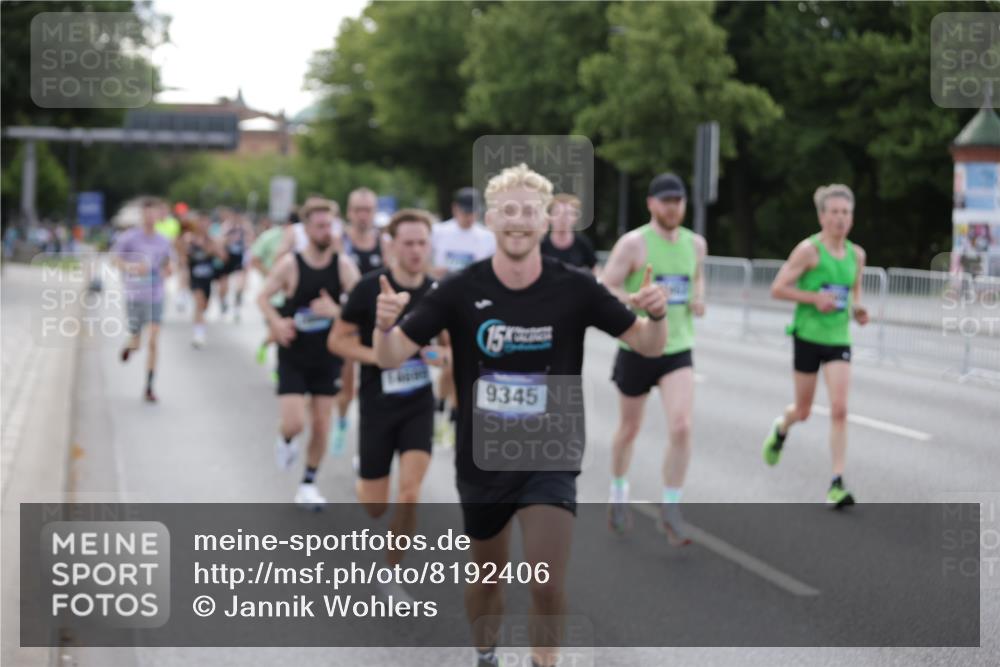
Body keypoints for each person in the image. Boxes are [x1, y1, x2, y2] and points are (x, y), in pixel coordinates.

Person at [373, 163, 668, 667]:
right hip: (482, 457)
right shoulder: (459, 289)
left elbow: (646, 344)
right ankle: (485, 653)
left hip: (550, 451)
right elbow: (391, 356)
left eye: (529, 212)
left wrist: (658, 316)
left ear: (545, 219)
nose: (518, 221)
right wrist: (383, 328)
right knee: (488, 579)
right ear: (490, 218)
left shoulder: (574, 286)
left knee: (547, 581)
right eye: (508, 211)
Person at [329, 209, 447, 564]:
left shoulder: (437, 292)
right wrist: (379, 356)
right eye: (408, 243)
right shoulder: (369, 288)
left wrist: (438, 355)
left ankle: (392, 572)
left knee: (410, 494)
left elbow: (451, 347)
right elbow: (337, 341)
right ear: (392, 245)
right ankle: (364, 478)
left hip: (418, 404)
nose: (415, 250)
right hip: (377, 404)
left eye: (422, 243)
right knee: (376, 507)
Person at [601, 173, 707, 545]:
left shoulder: (696, 244)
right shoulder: (633, 244)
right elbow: (605, 286)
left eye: (678, 201)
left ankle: (671, 507)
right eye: (665, 201)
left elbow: (697, 278)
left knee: (681, 426)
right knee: (629, 429)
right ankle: (617, 492)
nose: (673, 207)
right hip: (638, 347)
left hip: (677, 348)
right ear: (651, 204)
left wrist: (697, 298)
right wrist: (633, 300)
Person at [762, 184, 868, 508]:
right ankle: (782, 427)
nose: (840, 218)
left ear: (851, 217)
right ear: (822, 216)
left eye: (845, 213)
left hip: (838, 339)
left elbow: (854, 295)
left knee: (839, 409)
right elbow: (777, 288)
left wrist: (859, 310)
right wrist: (813, 298)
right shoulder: (808, 251)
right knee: (804, 411)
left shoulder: (857, 255)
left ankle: (836, 482)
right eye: (834, 212)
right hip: (807, 336)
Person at [257, 197, 360, 509]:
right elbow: (263, 297)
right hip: (294, 354)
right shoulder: (291, 264)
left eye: (329, 225)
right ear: (306, 229)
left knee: (321, 424)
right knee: (294, 424)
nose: (326, 231)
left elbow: (360, 309)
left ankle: (308, 483)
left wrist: (336, 310)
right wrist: (276, 323)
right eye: (319, 225)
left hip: (328, 356)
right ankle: (286, 439)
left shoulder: (343, 266)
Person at [430, 187, 497, 448]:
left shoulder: (486, 238)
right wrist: (435, 271)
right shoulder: (439, 233)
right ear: (455, 210)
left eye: (473, 213)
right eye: (465, 212)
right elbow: (422, 263)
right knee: (451, 361)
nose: (469, 218)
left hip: (474, 307)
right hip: (443, 304)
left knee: (465, 364)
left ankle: (453, 416)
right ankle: (440, 409)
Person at [329, 188, 384, 455]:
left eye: (368, 210)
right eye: (358, 210)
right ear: (349, 212)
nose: (363, 216)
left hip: (377, 324)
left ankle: (366, 447)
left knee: (373, 388)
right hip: (349, 322)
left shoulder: (384, 242)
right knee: (348, 388)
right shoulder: (339, 242)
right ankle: (341, 420)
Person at [113, 197, 173, 402]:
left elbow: (167, 264)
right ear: (141, 215)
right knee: (137, 342)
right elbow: (115, 260)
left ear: (158, 215)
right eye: (146, 213)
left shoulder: (163, 241)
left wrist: (168, 270)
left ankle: (149, 386)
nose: (150, 217)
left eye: (153, 213)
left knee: (154, 339)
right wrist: (132, 267)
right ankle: (129, 347)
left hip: (156, 294)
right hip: (135, 295)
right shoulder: (130, 238)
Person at [177, 212, 226, 348]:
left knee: (204, 306)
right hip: (195, 277)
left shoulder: (212, 241)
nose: (203, 226)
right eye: (201, 223)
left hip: (207, 278)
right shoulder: (189, 239)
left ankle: (199, 327)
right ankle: (199, 335)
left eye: (206, 223)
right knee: (199, 303)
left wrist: (213, 250)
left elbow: (223, 258)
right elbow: (182, 256)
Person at [540, 194, 598, 273]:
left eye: (568, 213)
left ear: (575, 218)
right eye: (557, 213)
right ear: (550, 217)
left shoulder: (583, 243)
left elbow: (595, 272)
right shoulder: (540, 244)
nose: (562, 218)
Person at [217, 210, 255, 322]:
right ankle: (223, 302)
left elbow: (251, 240)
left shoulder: (245, 226)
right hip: (228, 258)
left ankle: (237, 307)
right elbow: (221, 240)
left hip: (240, 258)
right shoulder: (226, 226)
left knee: (240, 284)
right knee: (224, 284)